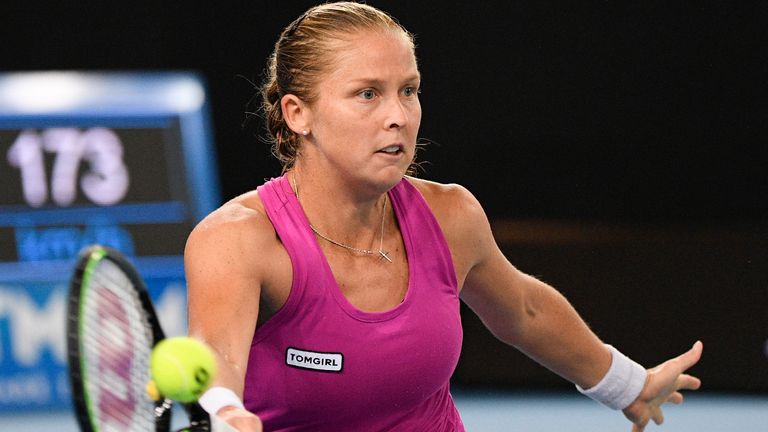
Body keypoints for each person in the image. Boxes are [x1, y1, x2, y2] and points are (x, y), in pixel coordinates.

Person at [185, 2, 703, 431]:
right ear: (299, 114)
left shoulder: (450, 214)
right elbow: (217, 354)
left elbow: (523, 311)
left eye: (408, 90)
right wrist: (225, 410)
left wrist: (628, 385)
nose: (398, 115)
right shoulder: (239, 240)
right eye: (368, 94)